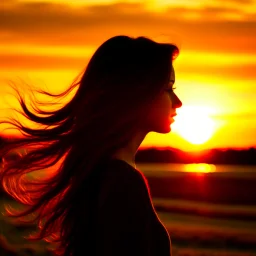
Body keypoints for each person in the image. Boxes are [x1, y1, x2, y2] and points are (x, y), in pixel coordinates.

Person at [0, 35, 182, 256]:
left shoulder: (100, 171)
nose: (178, 101)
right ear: (139, 92)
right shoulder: (123, 182)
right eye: (169, 88)